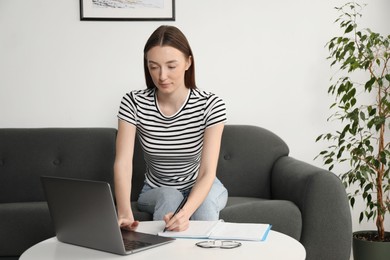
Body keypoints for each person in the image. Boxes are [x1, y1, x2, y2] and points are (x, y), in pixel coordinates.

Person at [114, 25, 228, 233]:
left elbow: (207, 171)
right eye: (154, 66)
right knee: (170, 196)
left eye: (171, 66)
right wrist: (123, 213)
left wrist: (184, 213)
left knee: (204, 204)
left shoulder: (211, 104)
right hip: (156, 189)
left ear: (188, 62)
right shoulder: (133, 102)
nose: (162, 76)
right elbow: (123, 163)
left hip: (202, 184)